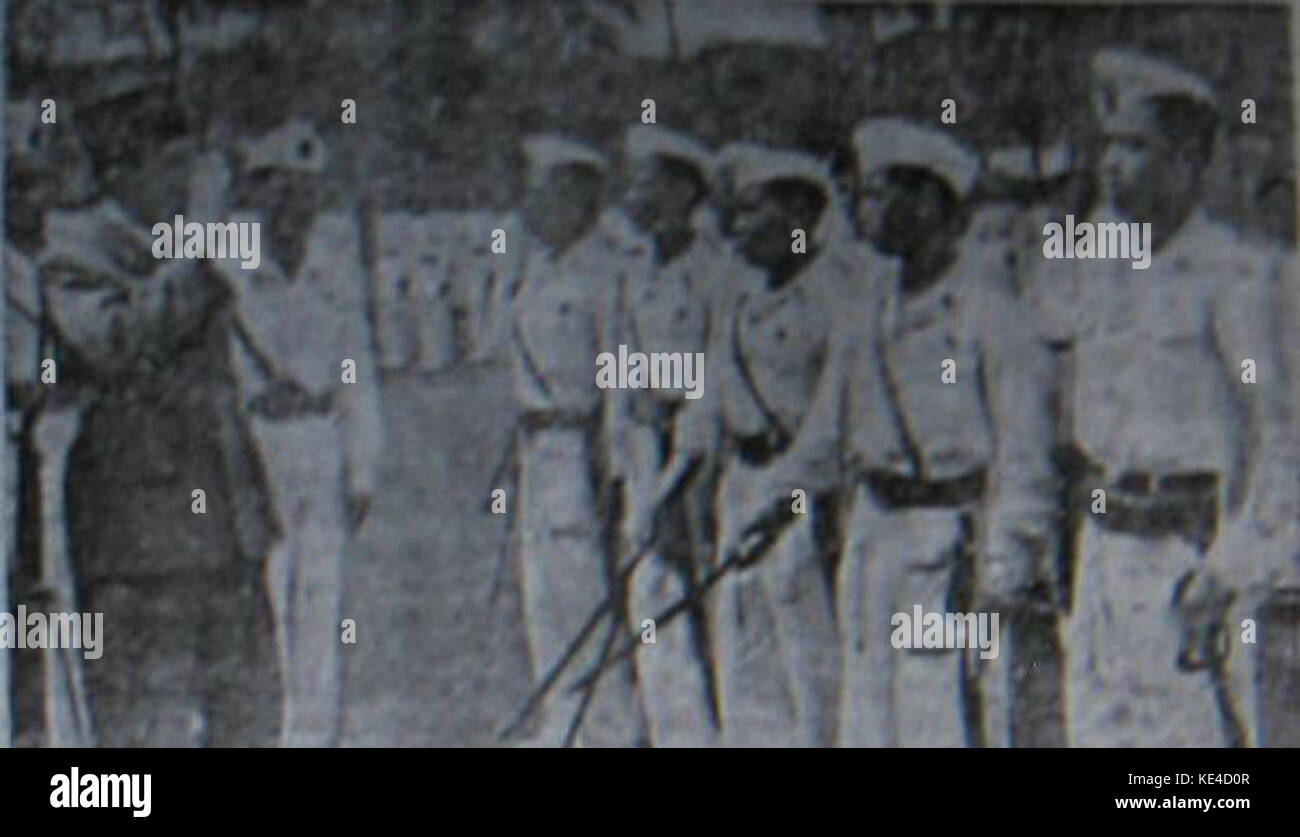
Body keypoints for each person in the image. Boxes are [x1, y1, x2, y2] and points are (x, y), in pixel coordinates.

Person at [1019, 48, 1296, 747]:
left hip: (1189, 550)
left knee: (1190, 774)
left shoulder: (1234, 275)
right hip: (1106, 549)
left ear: (1189, 159)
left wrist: (1230, 568)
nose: (1113, 165)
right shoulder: (1098, 267)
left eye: (1136, 147)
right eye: (1109, 146)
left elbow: (1281, 437)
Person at [833, 117, 1057, 748]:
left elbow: (1024, 456)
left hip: (949, 540)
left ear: (929, 202)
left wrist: (1004, 570)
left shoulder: (991, 314)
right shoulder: (868, 309)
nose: (862, 209)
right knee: (868, 714)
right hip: (876, 531)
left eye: (879, 194)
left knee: (941, 716)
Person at [40, 198, 282, 747]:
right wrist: (195, 252)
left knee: (250, 717)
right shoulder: (74, 247)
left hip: (226, 523)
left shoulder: (187, 238)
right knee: (146, 733)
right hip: (141, 541)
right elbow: (117, 342)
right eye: (171, 147)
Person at [196, 118, 385, 747]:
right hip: (256, 445)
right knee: (271, 598)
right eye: (278, 188)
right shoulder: (227, 254)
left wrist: (363, 464)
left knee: (323, 604)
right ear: (255, 191)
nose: (293, 203)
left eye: (305, 190)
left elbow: (357, 364)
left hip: (320, 440)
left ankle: (316, 737)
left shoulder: (333, 260)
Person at [699, 143, 849, 747]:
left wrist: (789, 496)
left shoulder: (838, 295)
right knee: (744, 645)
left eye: (751, 211)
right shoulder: (737, 296)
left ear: (797, 215)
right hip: (743, 481)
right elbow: (713, 394)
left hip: (807, 495)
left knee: (811, 659)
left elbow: (836, 418)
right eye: (732, 214)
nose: (736, 231)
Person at [506, 134, 640, 746]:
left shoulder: (607, 275)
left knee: (586, 602)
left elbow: (618, 384)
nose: (529, 206)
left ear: (577, 197)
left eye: (542, 191)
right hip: (537, 454)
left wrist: (613, 474)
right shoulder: (536, 272)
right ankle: (560, 728)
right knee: (544, 603)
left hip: (578, 452)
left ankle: (608, 731)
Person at [605, 124, 722, 747]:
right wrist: (624, 470)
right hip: (646, 449)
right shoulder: (637, 270)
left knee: (699, 598)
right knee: (649, 601)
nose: (634, 196)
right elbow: (624, 369)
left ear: (683, 190)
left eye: (646, 182)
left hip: (696, 454)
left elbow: (712, 378)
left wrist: (682, 479)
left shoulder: (715, 271)